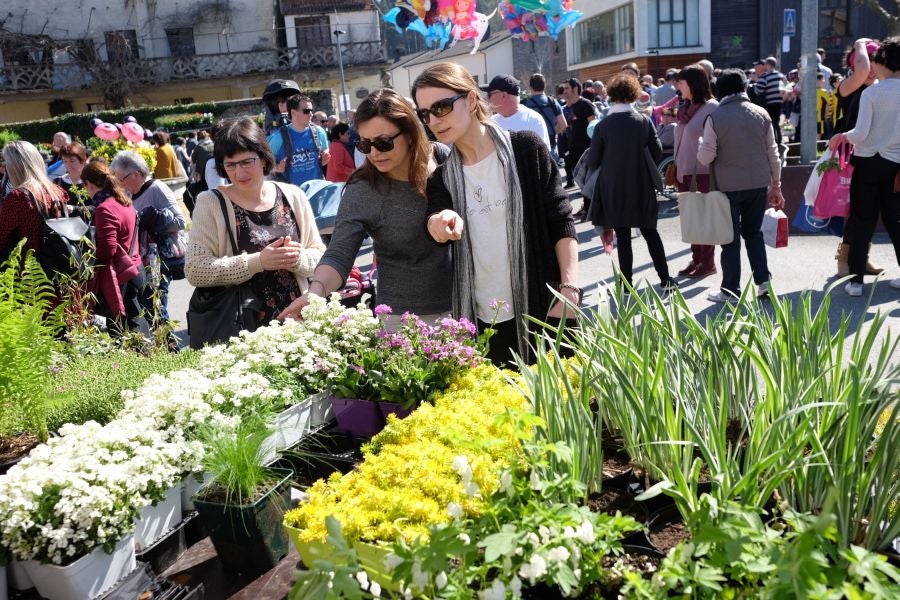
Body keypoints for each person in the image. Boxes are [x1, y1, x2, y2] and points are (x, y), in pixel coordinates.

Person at [413, 63, 579, 365]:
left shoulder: (527, 150)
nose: (434, 120)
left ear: (472, 100)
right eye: (425, 113)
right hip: (484, 324)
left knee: (567, 407)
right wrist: (436, 223)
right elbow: (436, 217)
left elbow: (561, 220)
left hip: (546, 309)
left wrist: (569, 290)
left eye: (442, 107)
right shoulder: (443, 180)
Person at [277, 89, 452, 324]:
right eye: (365, 145)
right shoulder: (363, 188)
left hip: (466, 305)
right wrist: (316, 292)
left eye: (383, 143)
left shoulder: (442, 158)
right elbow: (339, 252)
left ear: (410, 133)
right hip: (404, 319)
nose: (375, 153)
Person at [186, 117, 326, 325]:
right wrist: (258, 262)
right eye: (230, 165)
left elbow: (321, 256)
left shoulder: (293, 195)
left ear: (262, 157)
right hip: (243, 330)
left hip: (300, 325)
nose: (239, 173)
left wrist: (297, 259)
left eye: (246, 162)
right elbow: (195, 269)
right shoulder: (210, 203)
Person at [697, 69, 785, 302]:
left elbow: (705, 158)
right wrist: (776, 184)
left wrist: (700, 145)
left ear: (719, 90)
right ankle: (764, 284)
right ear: (745, 86)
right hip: (758, 184)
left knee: (730, 239)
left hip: (727, 186)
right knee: (753, 234)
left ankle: (730, 289)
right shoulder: (762, 113)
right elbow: (773, 154)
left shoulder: (715, 118)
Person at [586, 74, 675, 293]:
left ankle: (626, 286)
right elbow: (656, 152)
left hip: (613, 185)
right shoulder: (643, 121)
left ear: (611, 95)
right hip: (641, 183)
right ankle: (665, 279)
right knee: (650, 232)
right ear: (634, 95)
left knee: (623, 235)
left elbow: (594, 160)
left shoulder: (603, 126)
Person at [827, 37, 900, 297]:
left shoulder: (872, 92)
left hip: (868, 163)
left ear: (882, 62)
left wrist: (842, 137)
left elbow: (860, 134)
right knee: (895, 220)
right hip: (895, 166)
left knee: (862, 220)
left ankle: (856, 282)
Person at [110, 151, 187, 333]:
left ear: (135, 174)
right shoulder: (128, 193)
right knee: (148, 307)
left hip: (159, 261)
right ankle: (163, 347)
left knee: (156, 307)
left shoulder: (156, 188)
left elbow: (180, 221)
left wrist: (151, 220)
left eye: (121, 179)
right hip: (141, 262)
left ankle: (169, 349)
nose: (120, 183)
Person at [832, 38, 883, 277]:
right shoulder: (848, 85)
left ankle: (861, 257)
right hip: (851, 154)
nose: (872, 67)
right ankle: (844, 259)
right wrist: (861, 42)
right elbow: (863, 71)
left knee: (870, 210)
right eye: (868, 61)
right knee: (854, 210)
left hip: (875, 152)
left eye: (877, 61)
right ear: (855, 63)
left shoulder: (881, 86)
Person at [81, 160, 144, 336]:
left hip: (121, 276)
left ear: (90, 184)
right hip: (135, 269)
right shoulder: (124, 201)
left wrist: (86, 257)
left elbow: (108, 250)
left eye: (85, 186)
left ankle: (134, 362)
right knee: (134, 325)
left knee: (120, 331)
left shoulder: (104, 209)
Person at [670, 64, 720, 278]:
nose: (677, 86)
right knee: (690, 220)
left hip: (702, 173)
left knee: (703, 220)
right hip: (684, 171)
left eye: (681, 82)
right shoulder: (686, 107)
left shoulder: (712, 108)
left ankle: (707, 263)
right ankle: (697, 259)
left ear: (693, 83)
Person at [0, 141, 69, 286]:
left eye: (6, 164)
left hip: (30, 281)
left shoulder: (17, 197)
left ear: (15, 166)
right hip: (59, 272)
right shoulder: (57, 191)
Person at [267, 94, 331, 186]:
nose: (311, 114)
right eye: (306, 111)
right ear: (293, 112)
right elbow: (263, 162)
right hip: (292, 196)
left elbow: (325, 149)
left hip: (317, 192)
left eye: (311, 111)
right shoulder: (278, 138)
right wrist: (276, 168)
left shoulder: (319, 132)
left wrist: (325, 156)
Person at [561, 78, 597, 216]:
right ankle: (587, 206)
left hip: (586, 148)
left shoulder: (585, 104)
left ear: (575, 89)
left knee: (588, 179)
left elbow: (593, 126)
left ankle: (589, 209)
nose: (564, 91)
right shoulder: (567, 107)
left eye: (566, 88)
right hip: (573, 149)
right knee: (580, 180)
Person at [487, 74, 551, 150]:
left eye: (490, 94)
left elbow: (543, 157)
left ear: (503, 95)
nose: (487, 98)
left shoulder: (533, 119)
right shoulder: (492, 121)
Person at [523, 73, 568, 164]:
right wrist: (553, 131)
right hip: (551, 147)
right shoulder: (553, 102)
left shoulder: (525, 104)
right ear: (545, 85)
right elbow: (563, 125)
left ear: (530, 87)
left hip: (531, 147)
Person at [754, 56, 786, 145]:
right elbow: (786, 86)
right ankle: (779, 140)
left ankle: (773, 141)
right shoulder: (780, 75)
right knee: (777, 122)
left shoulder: (766, 76)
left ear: (768, 65)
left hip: (769, 103)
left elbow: (758, 90)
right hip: (779, 102)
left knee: (771, 123)